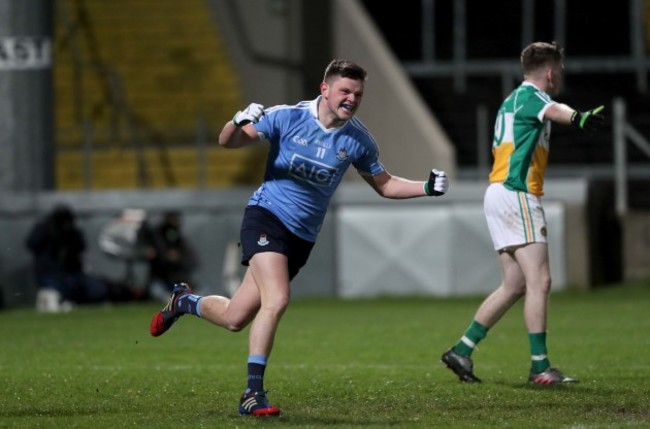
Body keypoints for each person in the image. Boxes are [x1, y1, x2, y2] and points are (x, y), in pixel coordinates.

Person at [149, 59, 450, 416]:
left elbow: (385, 185)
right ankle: (252, 394)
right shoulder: (286, 117)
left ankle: (183, 302)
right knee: (277, 299)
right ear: (325, 89)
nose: (352, 98)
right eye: (345, 91)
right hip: (265, 217)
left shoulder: (358, 140)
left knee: (234, 317)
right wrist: (237, 120)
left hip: (301, 238)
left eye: (358, 93)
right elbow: (227, 142)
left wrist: (427, 187)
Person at [440, 41, 604, 385]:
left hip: (498, 192)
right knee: (540, 280)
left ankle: (462, 349)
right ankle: (540, 368)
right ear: (549, 72)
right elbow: (555, 110)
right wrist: (579, 117)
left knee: (514, 284)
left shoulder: (509, 101)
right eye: (558, 71)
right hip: (517, 193)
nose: (558, 77)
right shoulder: (533, 96)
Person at [26, 204, 109, 310]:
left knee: (95, 289)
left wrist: (69, 236)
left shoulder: (72, 233)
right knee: (56, 289)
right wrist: (49, 234)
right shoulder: (43, 230)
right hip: (50, 272)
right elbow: (31, 245)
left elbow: (81, 247)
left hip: (72, 272)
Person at [139, 211, 198, 302]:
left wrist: (178, 258)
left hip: (176, 279)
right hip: (160, 280)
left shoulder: (180, 240)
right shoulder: (157, 236)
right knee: (157, 291)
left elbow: (191, 260)